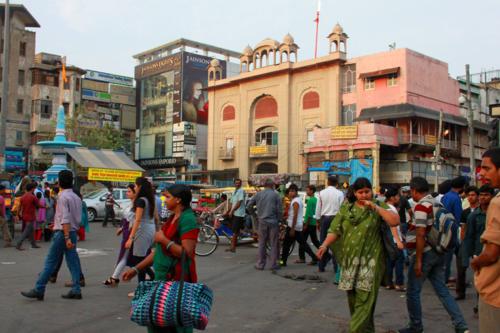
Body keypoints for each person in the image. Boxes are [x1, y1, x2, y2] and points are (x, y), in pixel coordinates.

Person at [316, 177, 400, 332]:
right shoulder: (346, 209)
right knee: (354, 301)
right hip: (349, 261)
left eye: (367, 192)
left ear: (371, 191)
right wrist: (324, 245)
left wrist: (375, 207)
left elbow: (394, 221)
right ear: (354, 193)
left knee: (365, 300)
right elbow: (335, 230)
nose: (364, 196)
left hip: (371, 261)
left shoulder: (378, 206)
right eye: (360, 192)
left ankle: (354, 330)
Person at [123, 184, 199, 333]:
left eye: (168, 197)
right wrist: (136, 269)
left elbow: (187, 253)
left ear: (178, 200)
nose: (164, 200)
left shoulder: (188, 219)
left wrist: (164, 240)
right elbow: (158, 253)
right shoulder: (172, 218)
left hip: (177, 281)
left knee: (175, 322)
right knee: (157, 320)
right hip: (162, 280)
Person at [398, 177, 468, 333]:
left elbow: (421, 234)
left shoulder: (422, 207)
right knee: (442, 290)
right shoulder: (437, 203)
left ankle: (415, 326)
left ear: (414, 191)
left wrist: (418, 261)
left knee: (413, 291)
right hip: (438, 251)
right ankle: (461, 325)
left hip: (426, 253)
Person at [21, 170, 83, 300]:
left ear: (59, 182)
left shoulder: (62, 197)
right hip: (71, 231)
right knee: (73, 261)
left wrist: (64, 234)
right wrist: (57, 225)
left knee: (51, 261)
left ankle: (39, 288)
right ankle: (76, 289)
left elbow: (65, 218)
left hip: (63, 233)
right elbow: (74, 218)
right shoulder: (76, 197)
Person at [470, 148, 500, 332]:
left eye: (487, 168)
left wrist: (476, 262)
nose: (482, 173)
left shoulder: (497, 203)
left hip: (495, 293)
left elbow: (491, 254)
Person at [463, 185, 494, 313]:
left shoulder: (495, 212)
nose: (482, 197)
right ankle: (480, 304)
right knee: (480, 281)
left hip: (494, 252)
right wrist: (470, 255)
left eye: (486, 195)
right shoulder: (474, 216)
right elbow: (469, 236)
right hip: (479, 253)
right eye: (481, 195)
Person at [124, 177, 156, 284]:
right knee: (142, 259)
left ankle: (141, 287)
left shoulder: (141, 200)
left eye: (136, 185)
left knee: (139, 261)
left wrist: (130, 238)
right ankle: (151, 277)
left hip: (142, 230)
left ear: (140, 187)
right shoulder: (150, 200)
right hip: (151, 229)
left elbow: (137, 220)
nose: (135, 187)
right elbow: (156, 218)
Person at [104, 184, 136, 287]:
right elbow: (127, 219)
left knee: (126, 256)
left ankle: (114, 277)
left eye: (129, 191)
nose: (127, 193)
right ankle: (114, 277)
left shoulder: (138, 205)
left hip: (132, 233)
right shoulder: (131, 203)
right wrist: (122, 228)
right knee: (127, 256)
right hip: (127, 232)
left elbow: (135, 221)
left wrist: (130, 235)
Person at [246, 178, 283, 271]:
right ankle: (273, 264)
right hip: (273, 222)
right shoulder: (276, 195)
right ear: (272, 185)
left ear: (264, 186)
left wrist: (254, 215)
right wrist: (280, 221)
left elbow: (249, 206)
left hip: (262, 221)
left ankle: (260, 264)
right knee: (274, 243)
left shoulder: (258, 194)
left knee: (262, 243)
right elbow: (279, 210)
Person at [315, 175, 344, 277]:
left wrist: (318, 221)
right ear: (337, 183)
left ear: (327, 183)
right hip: (336, 218)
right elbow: (342, 209)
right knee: (336, 243)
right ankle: (337, 268)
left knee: (323, 243)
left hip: (324, 219)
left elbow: (318, 208)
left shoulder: (321, 193)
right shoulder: (340, 193)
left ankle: (321, 266)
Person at [281, 184, 316, 266]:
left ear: (296, 192)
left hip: (294, 227)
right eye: (290, 191)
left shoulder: (296, 201)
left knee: (286, 245)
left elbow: (295, 215)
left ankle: (283, 262)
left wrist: (292, 229)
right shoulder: (297, 200)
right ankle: (315, 258)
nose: (290, 193)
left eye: (292, 191)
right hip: (297, 226)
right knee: (303, 244)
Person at [455, 186, 479, 300]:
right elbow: (463, 227)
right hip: (466, 242)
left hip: (478, 243)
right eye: (469, 195)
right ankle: (460, 292)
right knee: (461, 267)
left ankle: (481, 296)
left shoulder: (482, 211)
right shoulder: (465, 212)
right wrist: (462, 241)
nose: (470, 197)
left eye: (473, 195)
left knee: (480, 270)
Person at [441, 176, 467, 285]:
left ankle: (446, 277)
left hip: (443, 228)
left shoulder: (445, 196)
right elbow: (458, 217)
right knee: (458, 257)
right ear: (462, 187)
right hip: (453, 230)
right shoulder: (456, 198)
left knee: (445, 256)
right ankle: (448, 280)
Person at [385, 187, 406, 291]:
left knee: (390, 262)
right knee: (399, 260)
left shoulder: (387, 207)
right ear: (392, 198)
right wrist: (398, 241)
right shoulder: (390, 209)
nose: (399, 197)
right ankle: (399, 283)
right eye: (397, 196)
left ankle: (389, 283)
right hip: (394, 239)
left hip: (390, 240)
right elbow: (393, 226)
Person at [297, 185, 320, 264]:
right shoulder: (316, 200)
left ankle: (302, 258)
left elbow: (309, 214)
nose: (307, 192)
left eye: (308, 190)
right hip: (313, 223)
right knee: (315, 241)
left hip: (309, 223)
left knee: (302, 241)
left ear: (312, 191)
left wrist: (306, 225)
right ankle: (326, 254)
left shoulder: (310, 201)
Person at [16, 183, 41, 250]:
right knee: (26, 231)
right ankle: (19, 243)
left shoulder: (23, 197)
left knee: (31, 230)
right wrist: (45, 206)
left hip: (25, 215)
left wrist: (17, 215)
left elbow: (19, 207)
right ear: (32, 189)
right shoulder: (33, 197)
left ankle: (33, 244)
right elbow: (38, 205)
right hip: (31, 216)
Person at [225, 179, 246, 253]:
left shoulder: (241, 191)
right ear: (234, 184)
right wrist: (227, 212)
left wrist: (232, 211)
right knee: (233, 229)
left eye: (239, 183)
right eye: (236, 183)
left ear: (241, 184)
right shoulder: (234, 191)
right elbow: (231, 203)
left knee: (235, 231)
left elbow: (239, 202)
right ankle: (233, 244)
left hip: (239, 213)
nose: (237, 184)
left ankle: (232, 247)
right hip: (234, 213)